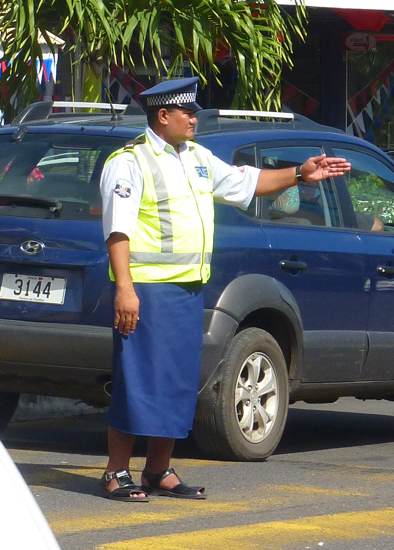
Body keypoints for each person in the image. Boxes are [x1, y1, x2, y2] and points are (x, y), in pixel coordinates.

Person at [99, 76, 351, 502]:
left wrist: (300, 176)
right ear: (163, 116)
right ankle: (115, 471)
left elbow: (246, 184)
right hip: (147, 290)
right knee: (138, 381)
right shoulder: (129, 162)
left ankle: (158, 470)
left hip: (187, 290)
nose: (194, 118)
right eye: (187, 112)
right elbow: (117, 231)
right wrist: (125, 289)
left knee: (178, 383)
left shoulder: (196, 157)